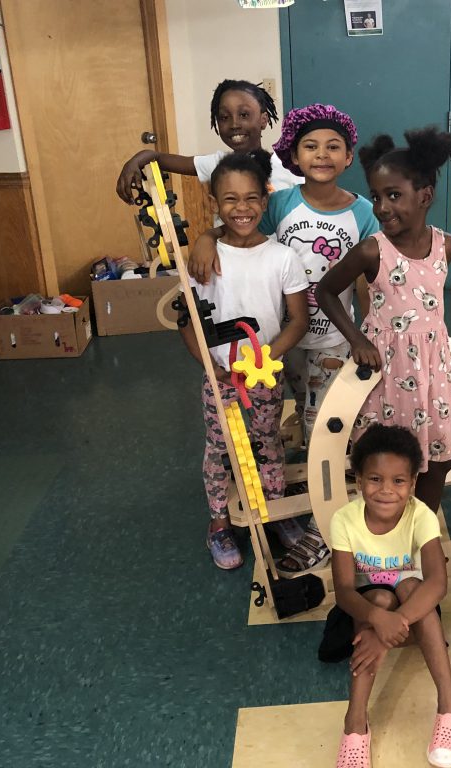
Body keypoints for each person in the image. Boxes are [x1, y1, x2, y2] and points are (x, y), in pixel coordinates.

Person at [191, 104, 379, 575]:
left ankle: (318, 516)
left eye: (333, 146)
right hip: (277, 349)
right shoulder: (281, 203)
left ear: (349, 156)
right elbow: (237, 222)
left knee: (320, 431)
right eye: (311, 146)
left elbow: (371, 278)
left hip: (326, 342)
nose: (322, 154)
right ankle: (234, 515)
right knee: (258, 433)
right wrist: (204, 239)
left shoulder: (362, 212)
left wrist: (368, 331)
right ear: (294, 154)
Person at [316, 127, 451, 516]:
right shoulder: (370, 250)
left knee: (438, 451)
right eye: (376, 197)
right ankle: (379, 526)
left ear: (425, 196)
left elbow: (429, 304)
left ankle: (422, 527)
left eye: (393, 195)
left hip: (433, 368)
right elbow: (326, 291)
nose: (381, 207)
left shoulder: (448, 245)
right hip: (387, 369)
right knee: (384, 455)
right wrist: (356, 342)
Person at [177, 150, 309, 570]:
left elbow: (298, 320)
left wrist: (267, 358)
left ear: (266, 200)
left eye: (251, 198)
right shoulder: (205, 258)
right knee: (220, 447)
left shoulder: (283, 258)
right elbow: (187, 320)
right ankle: (219, 522)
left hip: (264, 374)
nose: (242, 208)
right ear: (214, 202)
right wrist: (208, 365)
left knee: (266, 442)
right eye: (230, 199)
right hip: (220, 377)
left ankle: (274, 510)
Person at [329, 424, 451, 768]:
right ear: (358, 480)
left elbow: (437, 583)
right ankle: (355, 724)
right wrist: (378, 621)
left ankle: (449, 707)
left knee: (410, 587)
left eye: (398, 481)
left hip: (412, 607)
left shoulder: (420, 515)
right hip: (368, 606)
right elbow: (344, 591)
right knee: (379, 601)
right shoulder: (344, 520)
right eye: (375, 479)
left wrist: (388, 633)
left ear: (413, 484)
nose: (386, 490)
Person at [115, 79, 301, 205]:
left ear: (263, 119)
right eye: (224, 117)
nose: (234, 124)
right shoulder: (217, 163)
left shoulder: (288, 167)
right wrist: (133, 163)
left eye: (244, 115)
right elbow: (156, 157)